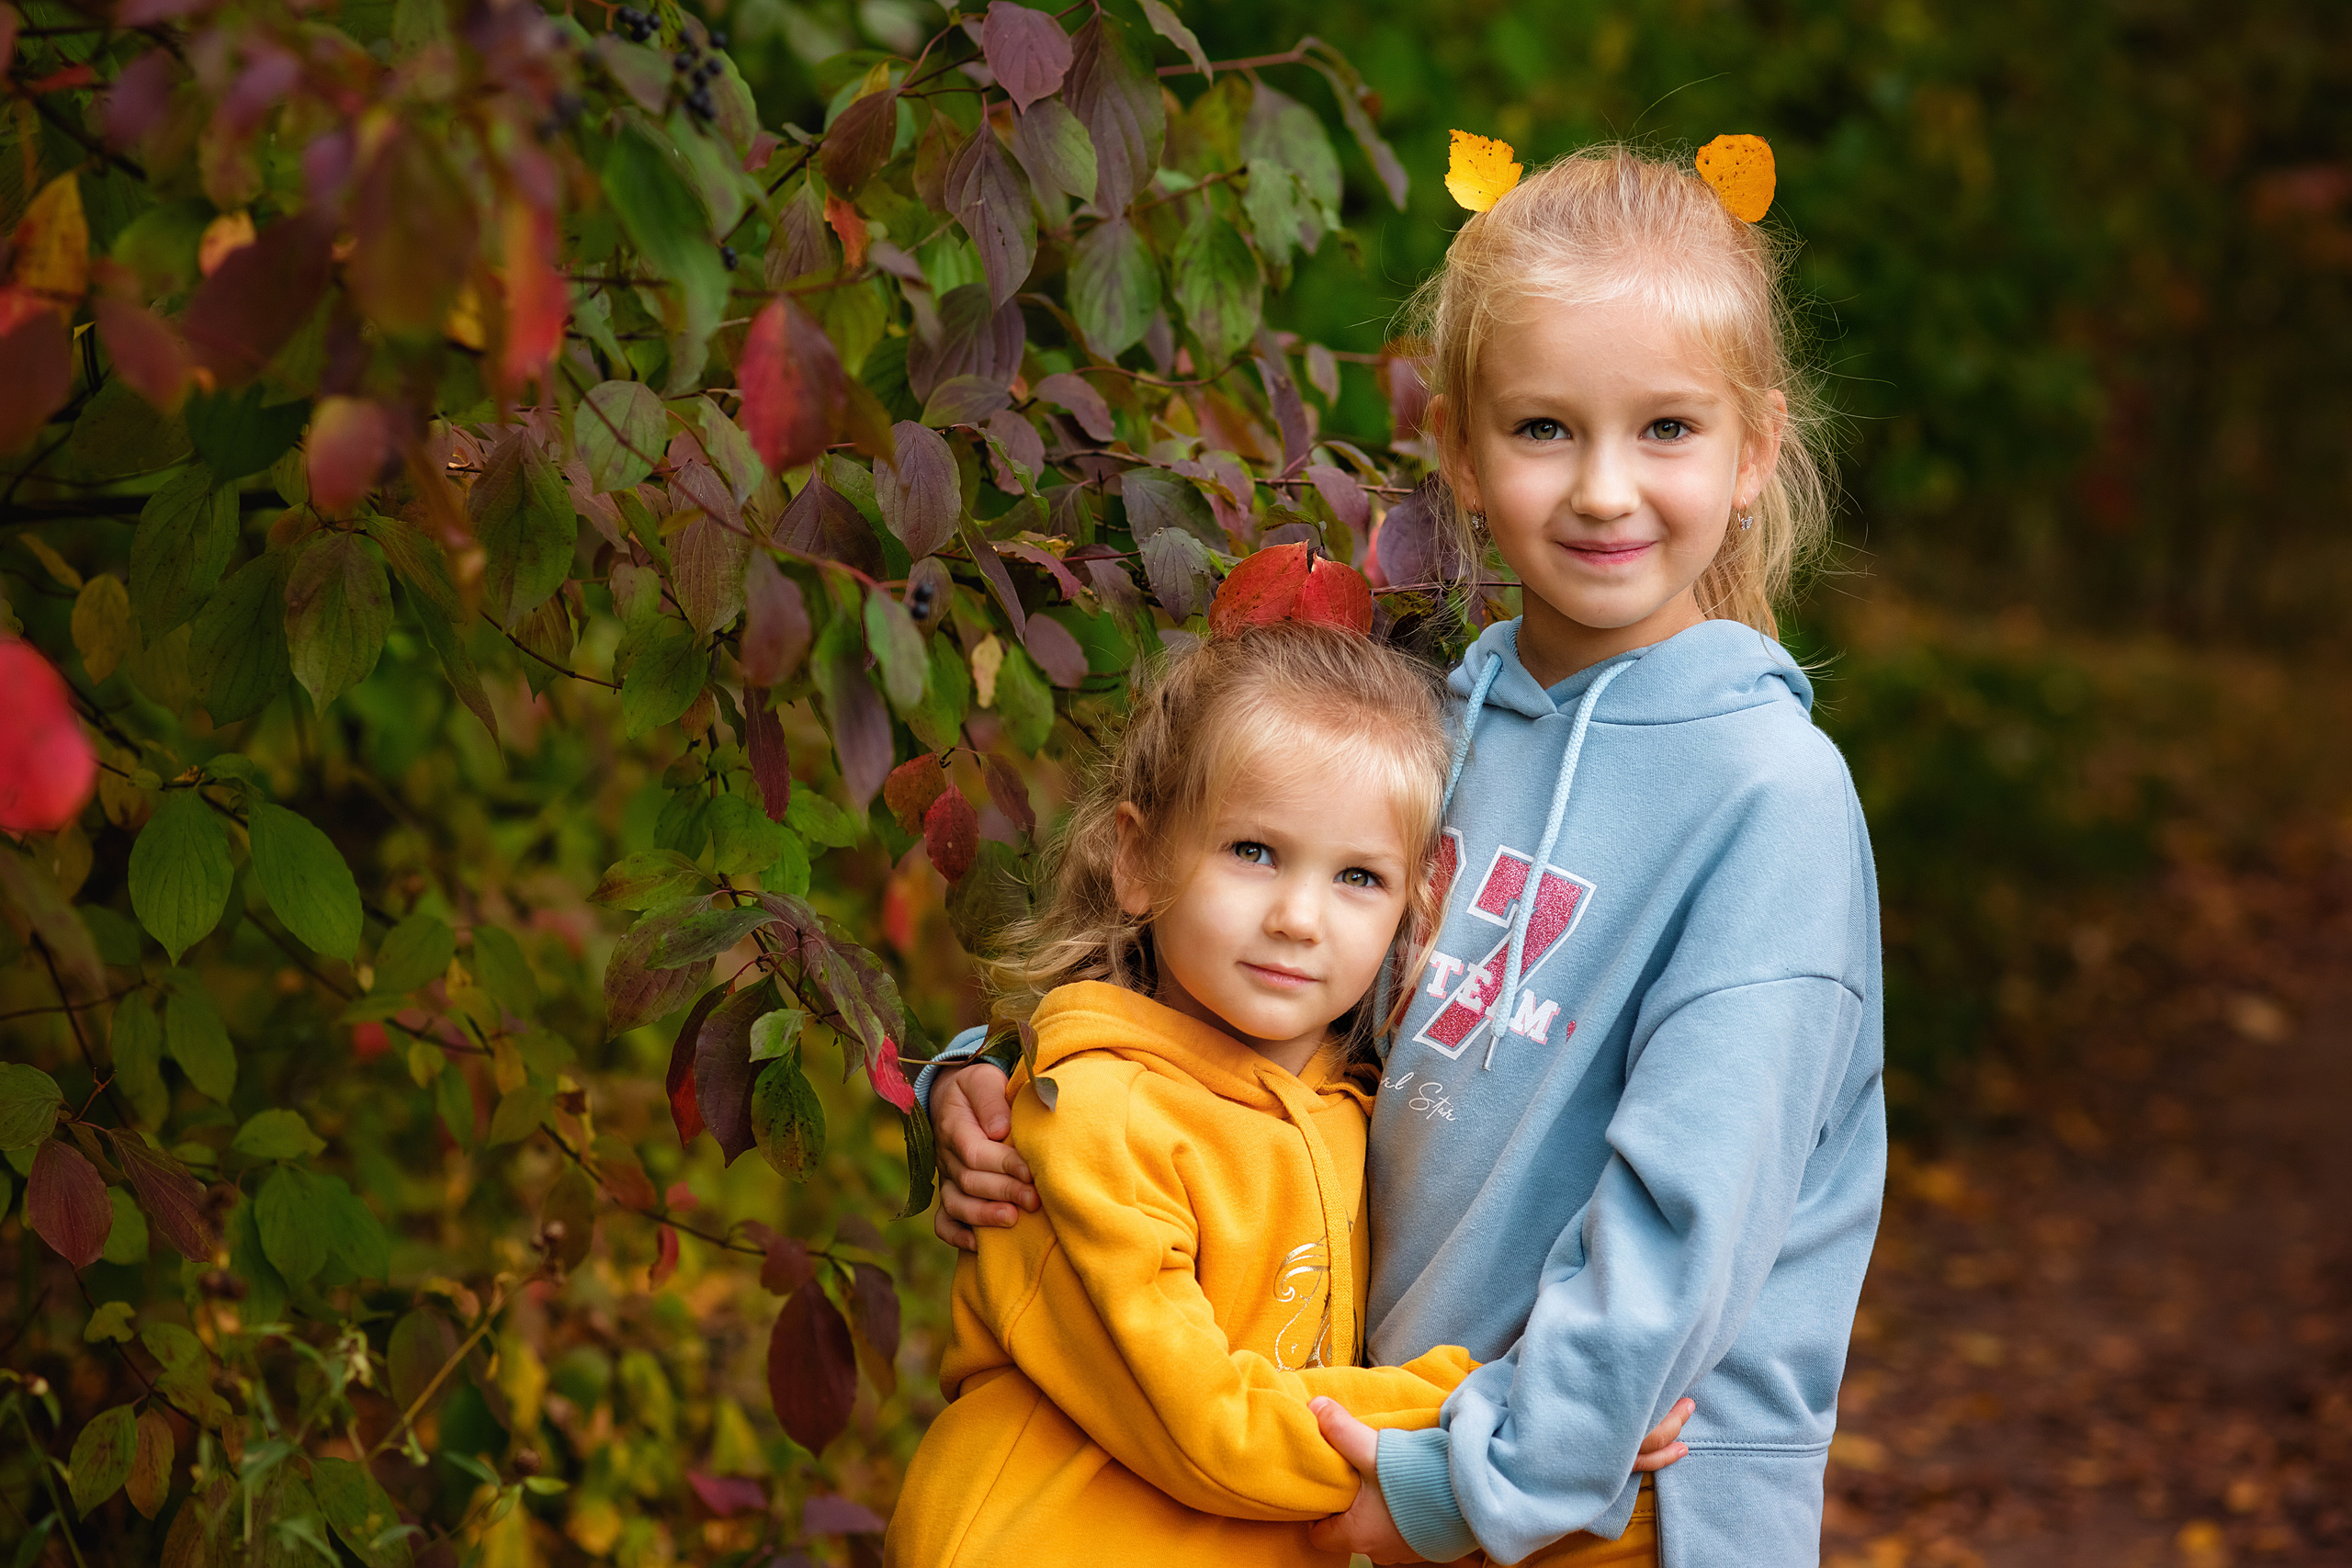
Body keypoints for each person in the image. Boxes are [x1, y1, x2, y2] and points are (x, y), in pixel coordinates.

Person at [923, 143, 1884, 1567]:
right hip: (1368, 1457)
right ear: (1464, 454)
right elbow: (1227, 966)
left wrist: (1452, 1491)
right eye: (1546, 428)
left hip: (1611, 1514)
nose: (1606, 489)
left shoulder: (1772, 800)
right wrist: (987, 1089)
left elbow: (1684, 1233)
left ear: (1753, 450)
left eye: (1666, 429)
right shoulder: (1440, 730)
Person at [883, 623, 1694, 1568]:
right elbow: (1212, 1430)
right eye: (1253, 851)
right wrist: (1511, 1411)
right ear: (1137, 860)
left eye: (1357, 877)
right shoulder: (1094, 1117)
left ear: (1414, 913)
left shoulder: (1350, 1108)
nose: (1298, 918)